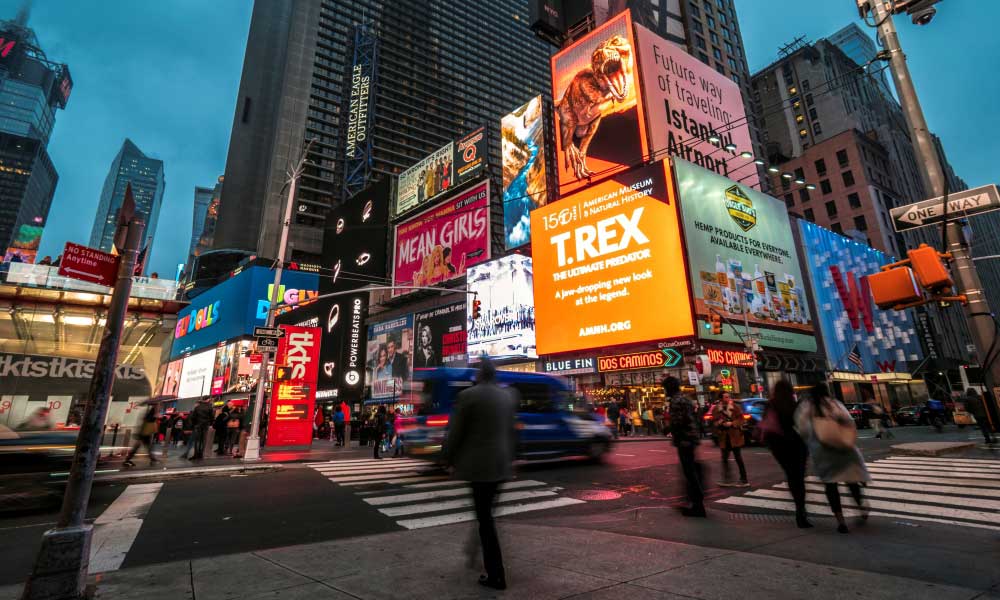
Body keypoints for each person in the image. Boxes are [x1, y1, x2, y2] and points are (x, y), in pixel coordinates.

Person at [442, 358, 517, 590]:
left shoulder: (468, 396)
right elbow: (512, 431)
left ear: (479, 374)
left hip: (479, 467)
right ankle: (477, 554)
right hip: (501, 464)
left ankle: (496, 575)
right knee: (486, 516)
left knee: (485, 520)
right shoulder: (507, 396)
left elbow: (455, 432)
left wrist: (447, 458)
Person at [794, 383, 870, 533]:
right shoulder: (835, 404)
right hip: (842, 448)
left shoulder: (806, 407)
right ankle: (861, 507)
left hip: (822, 452)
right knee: (851, 481)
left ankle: (840, 521)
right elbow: (849, 421)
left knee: (831, 486)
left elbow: (802, 429)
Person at [762, 380, 812, 528]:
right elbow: (804, 425)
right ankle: (800, 510)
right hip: (798, 446)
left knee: (791, 476)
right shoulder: (795, 405)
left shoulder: (770, 405)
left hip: (780, 447)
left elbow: (766, 426)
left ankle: (799, 508)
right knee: (799, 478)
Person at [667, 376, 705, 517]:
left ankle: (697, 505)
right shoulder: (685, 399)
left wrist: (669, 430)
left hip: (685, 440)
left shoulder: (676, 401)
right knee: (691, 471)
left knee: (690, 473)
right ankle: (695, 502)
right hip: (691, 438)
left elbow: (678, 422)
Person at [710, 392, 749, 486]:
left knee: (738, 458)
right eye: (726, 397)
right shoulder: (716, 409)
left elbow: (741, 419)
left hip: (734, 436)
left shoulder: (735, 407)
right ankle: (727, 479)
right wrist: (719, 423)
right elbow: (714, 421)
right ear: (721, 399)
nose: (728, 398)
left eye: (728, 397)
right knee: (724, 459)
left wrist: (732, 423)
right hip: (724, 437)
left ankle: (744, 480)